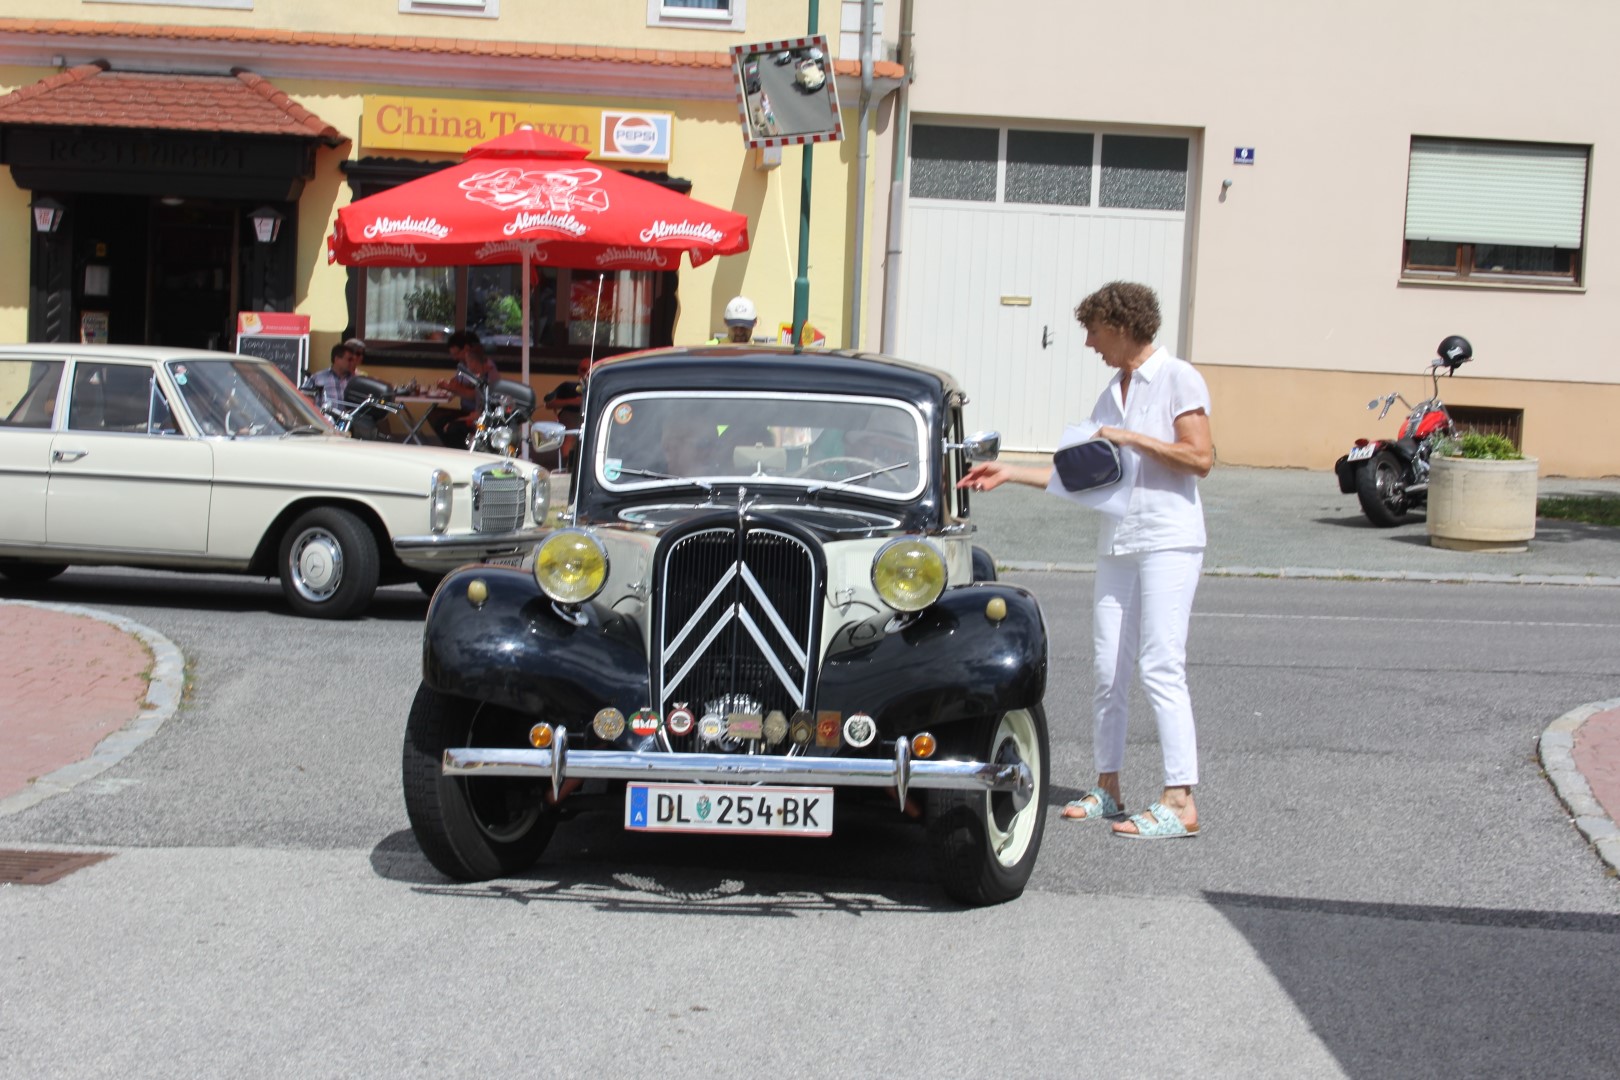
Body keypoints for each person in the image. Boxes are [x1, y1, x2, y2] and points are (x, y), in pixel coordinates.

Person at [958, 281, 1213, 840]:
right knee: (1108, 669)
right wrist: (1011, 473)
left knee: (1161, 664)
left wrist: (1132, 437)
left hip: (1169, 537)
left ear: (1120, 327)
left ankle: (1180, 799)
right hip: (1119, 540)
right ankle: (1109, 788)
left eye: (1094, 331)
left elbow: (1200, 457)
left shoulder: (1177, 377)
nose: (1089, 342)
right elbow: (1082, 476)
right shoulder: (1113, 390)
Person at [431, 341, 500, 449]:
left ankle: (461, 451)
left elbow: (478, 413)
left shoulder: (486, 379)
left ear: (473, 362)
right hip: (476, 414)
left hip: (483, 419)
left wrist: (456, 421)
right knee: (438, 418)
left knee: (450, 426)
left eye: (468, 362)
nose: (467, 366)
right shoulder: (479, 376)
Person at [306, 341, 357, 410]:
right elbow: (304, 397)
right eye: (349, 360)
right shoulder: (318, 378)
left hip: (348, 418)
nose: (353, 363)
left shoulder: (355, 381)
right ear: (337, 359)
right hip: (324, 418)